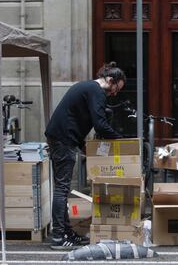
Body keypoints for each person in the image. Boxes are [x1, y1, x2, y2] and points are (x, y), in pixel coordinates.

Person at [45, 62, 126, 249]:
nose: (114, 93)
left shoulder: (89, 87)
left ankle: (66, 232)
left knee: (61, 188)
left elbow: (77, 117)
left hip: (62, 137)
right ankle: (59, 237)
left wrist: (82, 146)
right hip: (63, 139)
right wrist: (122, 141)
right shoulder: (96, 90)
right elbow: (100, 124)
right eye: (116, 89)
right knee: (62, 188)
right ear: (110, 80)